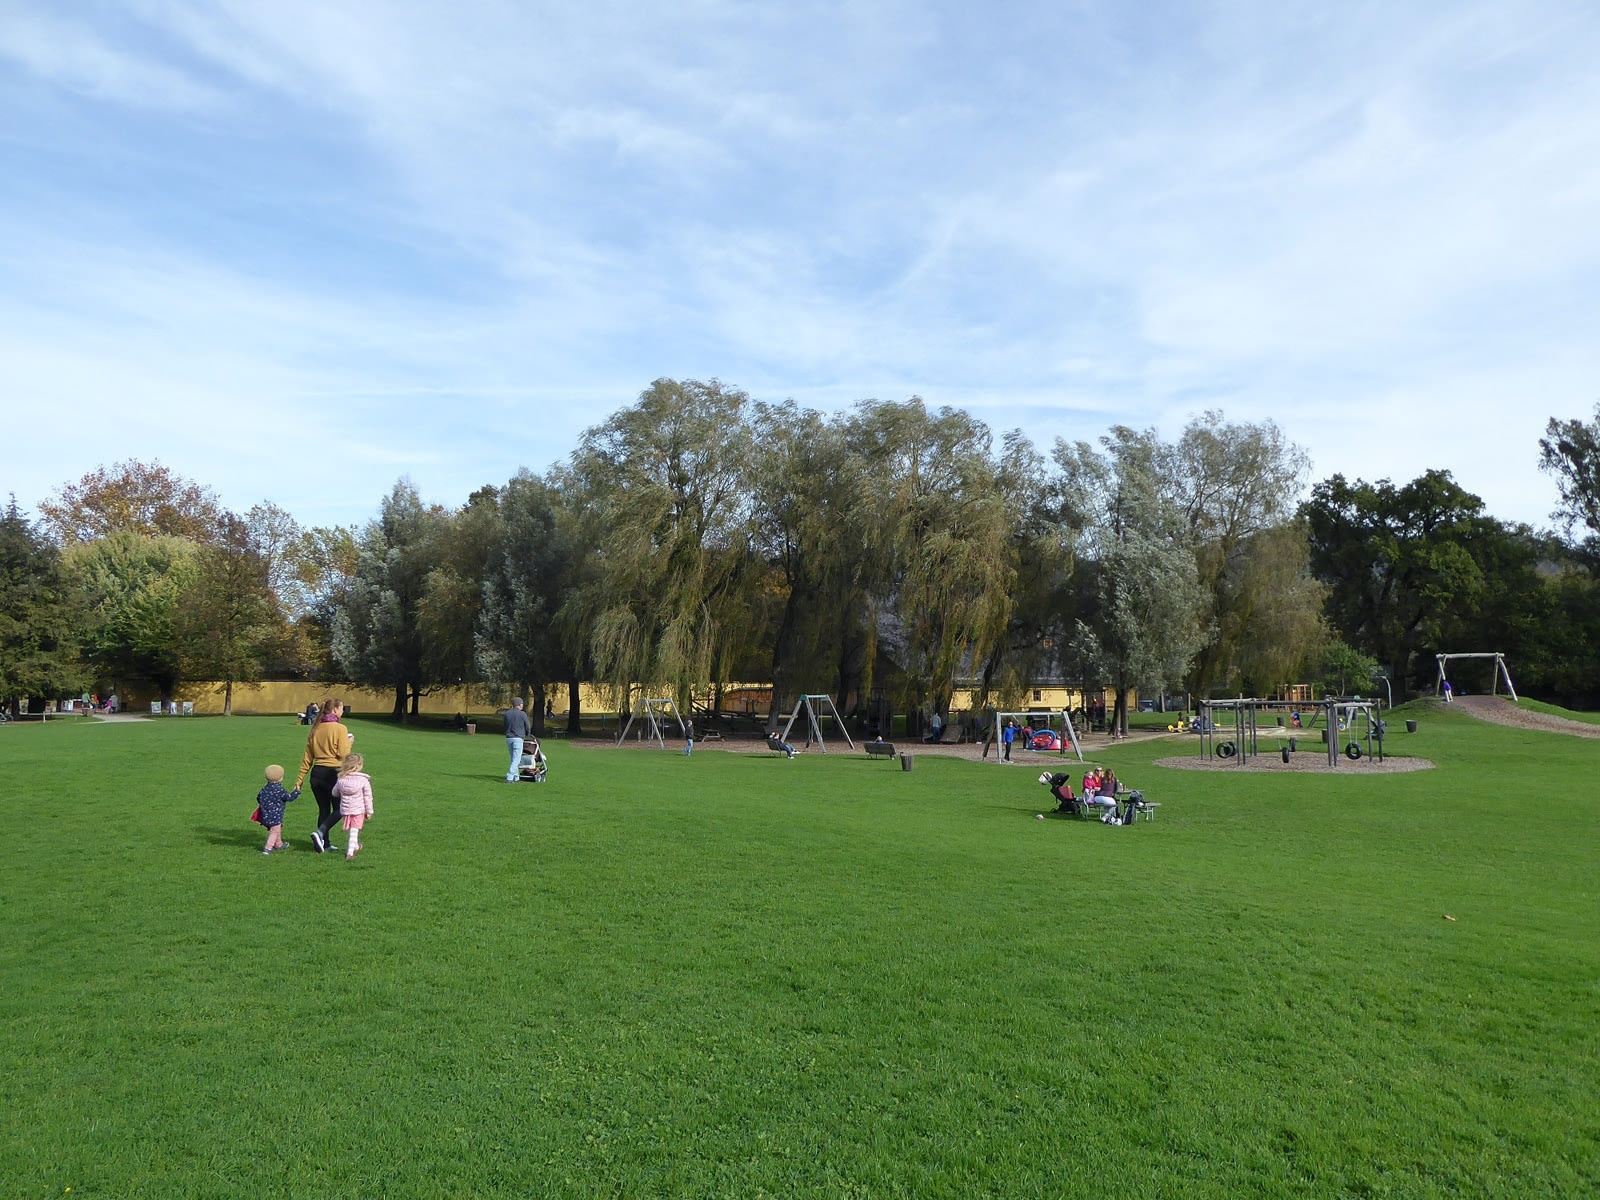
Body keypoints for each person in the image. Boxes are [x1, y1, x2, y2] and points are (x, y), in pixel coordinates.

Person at [294, 696, 354, 853]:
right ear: (335, 709)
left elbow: (307, 758)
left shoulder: (315, 728)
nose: (342, 712)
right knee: (341, 808)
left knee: (324, 810)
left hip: (317, 774)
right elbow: (343, 754)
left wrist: (299, 780)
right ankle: (320, 833)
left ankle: (324, 844)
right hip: (332, 773)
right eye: (341, 708)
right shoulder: (340, 729)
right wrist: (349, 742)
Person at [332, 753, 374, 861]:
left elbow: (334, 793)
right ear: (358, 766)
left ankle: (355, 846)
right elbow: (368, 797)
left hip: (346, 810)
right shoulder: (363, 780)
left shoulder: (341, 779)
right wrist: (369, 811)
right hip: (358, 809)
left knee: (352, 828)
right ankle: (350, 852)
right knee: (354, 830)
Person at [256, 764, 300, 854]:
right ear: (280, 778)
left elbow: (258, 798)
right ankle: (268, 848)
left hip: (265, 815)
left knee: (277, 829)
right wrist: (296, 791)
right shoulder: (279, 790)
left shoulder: (264, 789)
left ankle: (279, 844)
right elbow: (289, 798)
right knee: (274, 831)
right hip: (275, 815)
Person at [503, 697, 531, 783]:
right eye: (522, 704)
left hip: (509, 738)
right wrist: (528, 734)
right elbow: (527, 725)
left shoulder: (507, 714)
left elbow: (506, 725)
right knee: (517, 759)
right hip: (518, 738)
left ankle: (516, 777)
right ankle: (510, 776)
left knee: (513, 758)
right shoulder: (522, 714)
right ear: (519, 704)